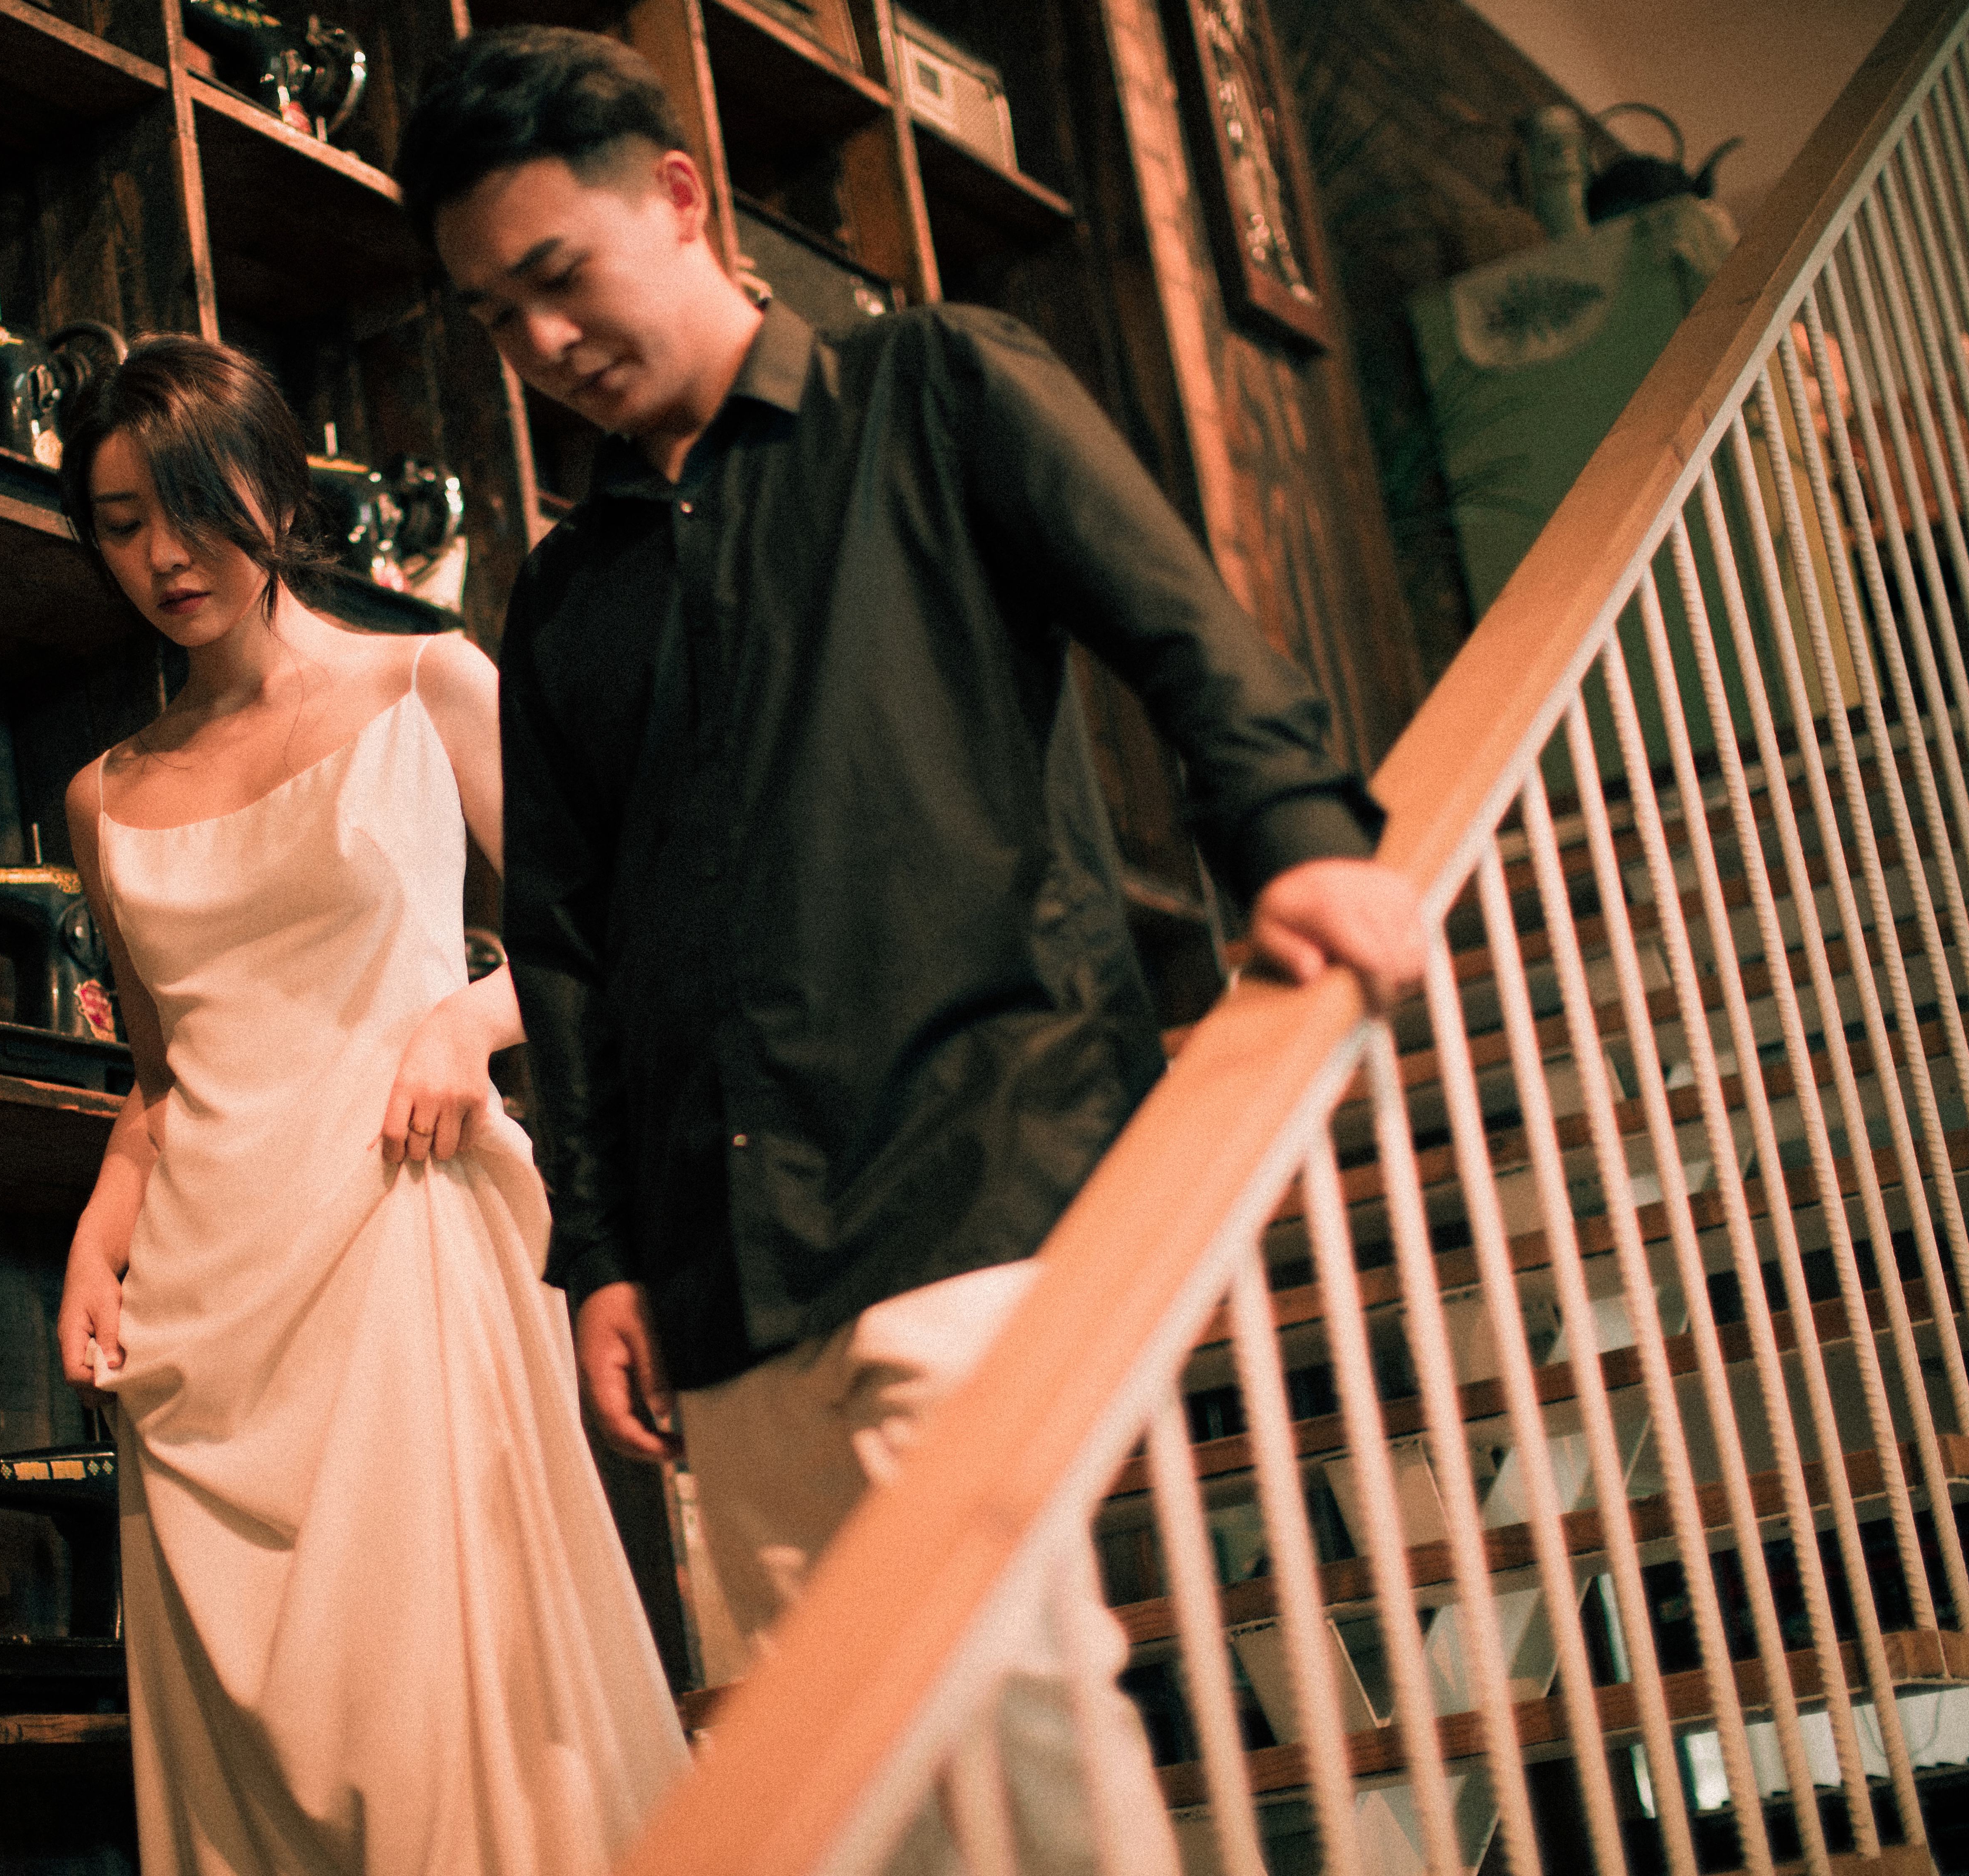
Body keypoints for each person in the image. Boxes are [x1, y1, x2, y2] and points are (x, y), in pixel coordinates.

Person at [394, 25, 1426, 1866]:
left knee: (1012, 1704)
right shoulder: (560, 598)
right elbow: (563, 950)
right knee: (857, 1797)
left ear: (681, 200)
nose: (542, 343)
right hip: (722, 1269)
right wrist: (601, 1259)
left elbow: (1179, 626)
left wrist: (1298, 841)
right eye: (496, 316)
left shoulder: (938, 387)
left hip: (976, 1164)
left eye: (559, 275)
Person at [48, 335, 688, 1876]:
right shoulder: (105, 796)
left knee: (440, 1712)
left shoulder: (428, 684)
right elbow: (162, 1078)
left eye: (195, 508)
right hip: (204, 1298)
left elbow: (607, 930)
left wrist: (472, 1017)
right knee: (270, 1773)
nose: (166, 556)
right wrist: (96, 1237)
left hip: (399, 1237)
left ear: (275, 496)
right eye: (123, 524)